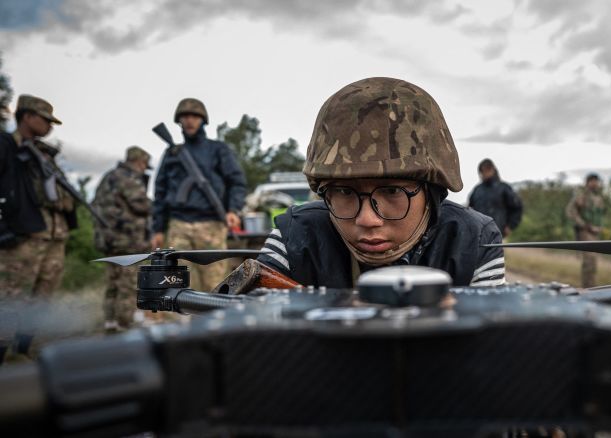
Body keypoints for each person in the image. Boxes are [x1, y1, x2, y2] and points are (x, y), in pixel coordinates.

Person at [253, 77, 505, 287]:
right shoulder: (296, 237)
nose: (367, 219)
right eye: (343, 191)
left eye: (392, 191)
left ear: (431, 193)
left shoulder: (471, 240)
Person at [0, 94, 75, 362]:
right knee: (11, 298)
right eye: (45, 120)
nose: (50, 126)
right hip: (22, 237)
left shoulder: (44, 155)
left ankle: (22, 350)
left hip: (54, 235)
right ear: (27, 116)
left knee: (43, 298)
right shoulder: (6, 146)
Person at [151, 98, 247, 291]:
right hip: (179, 226)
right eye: (185, 117)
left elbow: (236, 181)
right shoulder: (172, 153)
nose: (189, 121)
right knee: (177, 285)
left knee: (215, 286)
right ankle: (179, 322)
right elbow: (160, 192)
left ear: (203, 120)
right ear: (179, 121)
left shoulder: (218, 150)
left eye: (194, 116)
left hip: (211, 225)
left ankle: (214, 320)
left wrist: (233, 209)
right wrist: (158, 229)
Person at [92, 146, 153, 331]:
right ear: (139, 162)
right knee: (128, 283)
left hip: (109, 239)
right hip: (128, 241)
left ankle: (110, 321)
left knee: (113, 282)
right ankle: (125, 323)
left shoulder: (108, 177)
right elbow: (141, 205)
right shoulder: (128, 178)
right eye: (144, 165)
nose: (144, 169)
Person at [566, 173, 605, 288]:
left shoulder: (598, 198)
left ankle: (592, 287)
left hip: (595, 233)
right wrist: (583, 225)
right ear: (587, 182)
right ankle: (588, 288)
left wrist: (600, 227)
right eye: (592, 181)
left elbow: (599, 215)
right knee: (589, 261)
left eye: (596, 181)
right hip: (586, 232)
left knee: (593, 262)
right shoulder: (581, 196)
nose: (595, 183)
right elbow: (570, 211)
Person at [468, 158, 523, 238]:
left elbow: (517, 208)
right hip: (478, 234)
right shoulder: (477, 190)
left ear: (493, 170)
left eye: (487, 170)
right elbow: (469, 209)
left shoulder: (504, 188)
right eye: (482, 171)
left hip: (497, 233)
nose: (485, 173)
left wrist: (510, 226)